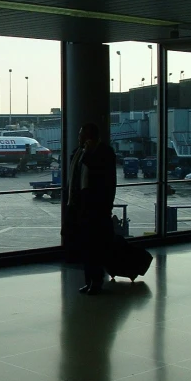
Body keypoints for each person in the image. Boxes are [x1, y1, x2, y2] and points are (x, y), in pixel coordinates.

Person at [67, 122, 116, 295]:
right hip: (82, 207)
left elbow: (105, 178)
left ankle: (97, 281)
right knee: (86, 247)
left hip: (96, 207)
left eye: (81, 134)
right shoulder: (79, 152)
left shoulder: (104, 153)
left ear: (90, 137)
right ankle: (89, 281)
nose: (78, 137)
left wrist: (88, 153)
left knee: (95, 247)